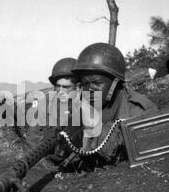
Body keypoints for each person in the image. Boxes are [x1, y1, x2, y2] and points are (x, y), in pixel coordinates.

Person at [38, 43, 158, 171]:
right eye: (85, 83)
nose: (89, 89)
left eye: (96, 82)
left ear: (115, 83)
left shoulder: (140, 112)